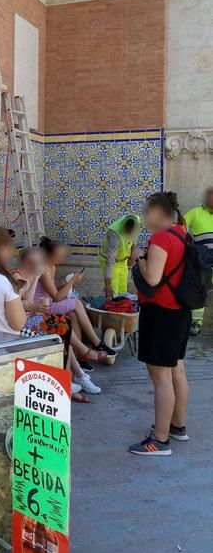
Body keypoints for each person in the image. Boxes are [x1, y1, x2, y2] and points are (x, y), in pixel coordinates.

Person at [128, 192, 190, 456]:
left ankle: (160, 440)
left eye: (146, 211)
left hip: (161, 314)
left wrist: (140, 259)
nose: (144, 216)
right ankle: (177, 426)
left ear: (156, 211)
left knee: (161, 378)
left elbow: (152, 278)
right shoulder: (181, 233)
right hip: (180, 313)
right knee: (177, 370)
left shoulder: (161, 238)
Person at [12, 248, 100, 399]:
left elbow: (29, 301)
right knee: (61, 326)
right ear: (28, 261)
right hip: (22, 325)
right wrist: (36, 303)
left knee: (63, 328)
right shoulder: (17, 276)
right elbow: (21, 304)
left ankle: (77, 375)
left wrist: (35, 277)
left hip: (32, 318)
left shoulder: (31, 274)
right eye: (37, 261)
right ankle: (81, 359)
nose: (41, 264)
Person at [36, 237, 117, 365]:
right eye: (60, 255)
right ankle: (97, 343)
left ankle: (80, 358)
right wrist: (72, 281)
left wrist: (64, 283)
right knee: (77, 303)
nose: (63, 258)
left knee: (73, 314)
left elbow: (52, 289)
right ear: (51, 255)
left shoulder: (52, 267)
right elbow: (56, 297)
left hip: (50, 301)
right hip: (42, 306)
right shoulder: (44, 269)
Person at [184, 186, 213, 336]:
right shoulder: (195, 213)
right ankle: (196, 323)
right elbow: (180, 226)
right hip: (202, 261)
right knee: (201, 289)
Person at [99, 214, 142, 298]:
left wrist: (131, 257)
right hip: (112, 263)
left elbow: (134, 241)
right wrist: (107, 285)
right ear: (123, 227)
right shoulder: (114, 233)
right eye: (127, 232)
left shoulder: (136, 222)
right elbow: (110, 261)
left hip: (123, 261)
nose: (129, 235)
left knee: (123, 293)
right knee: (113, 295)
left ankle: (121, 308)